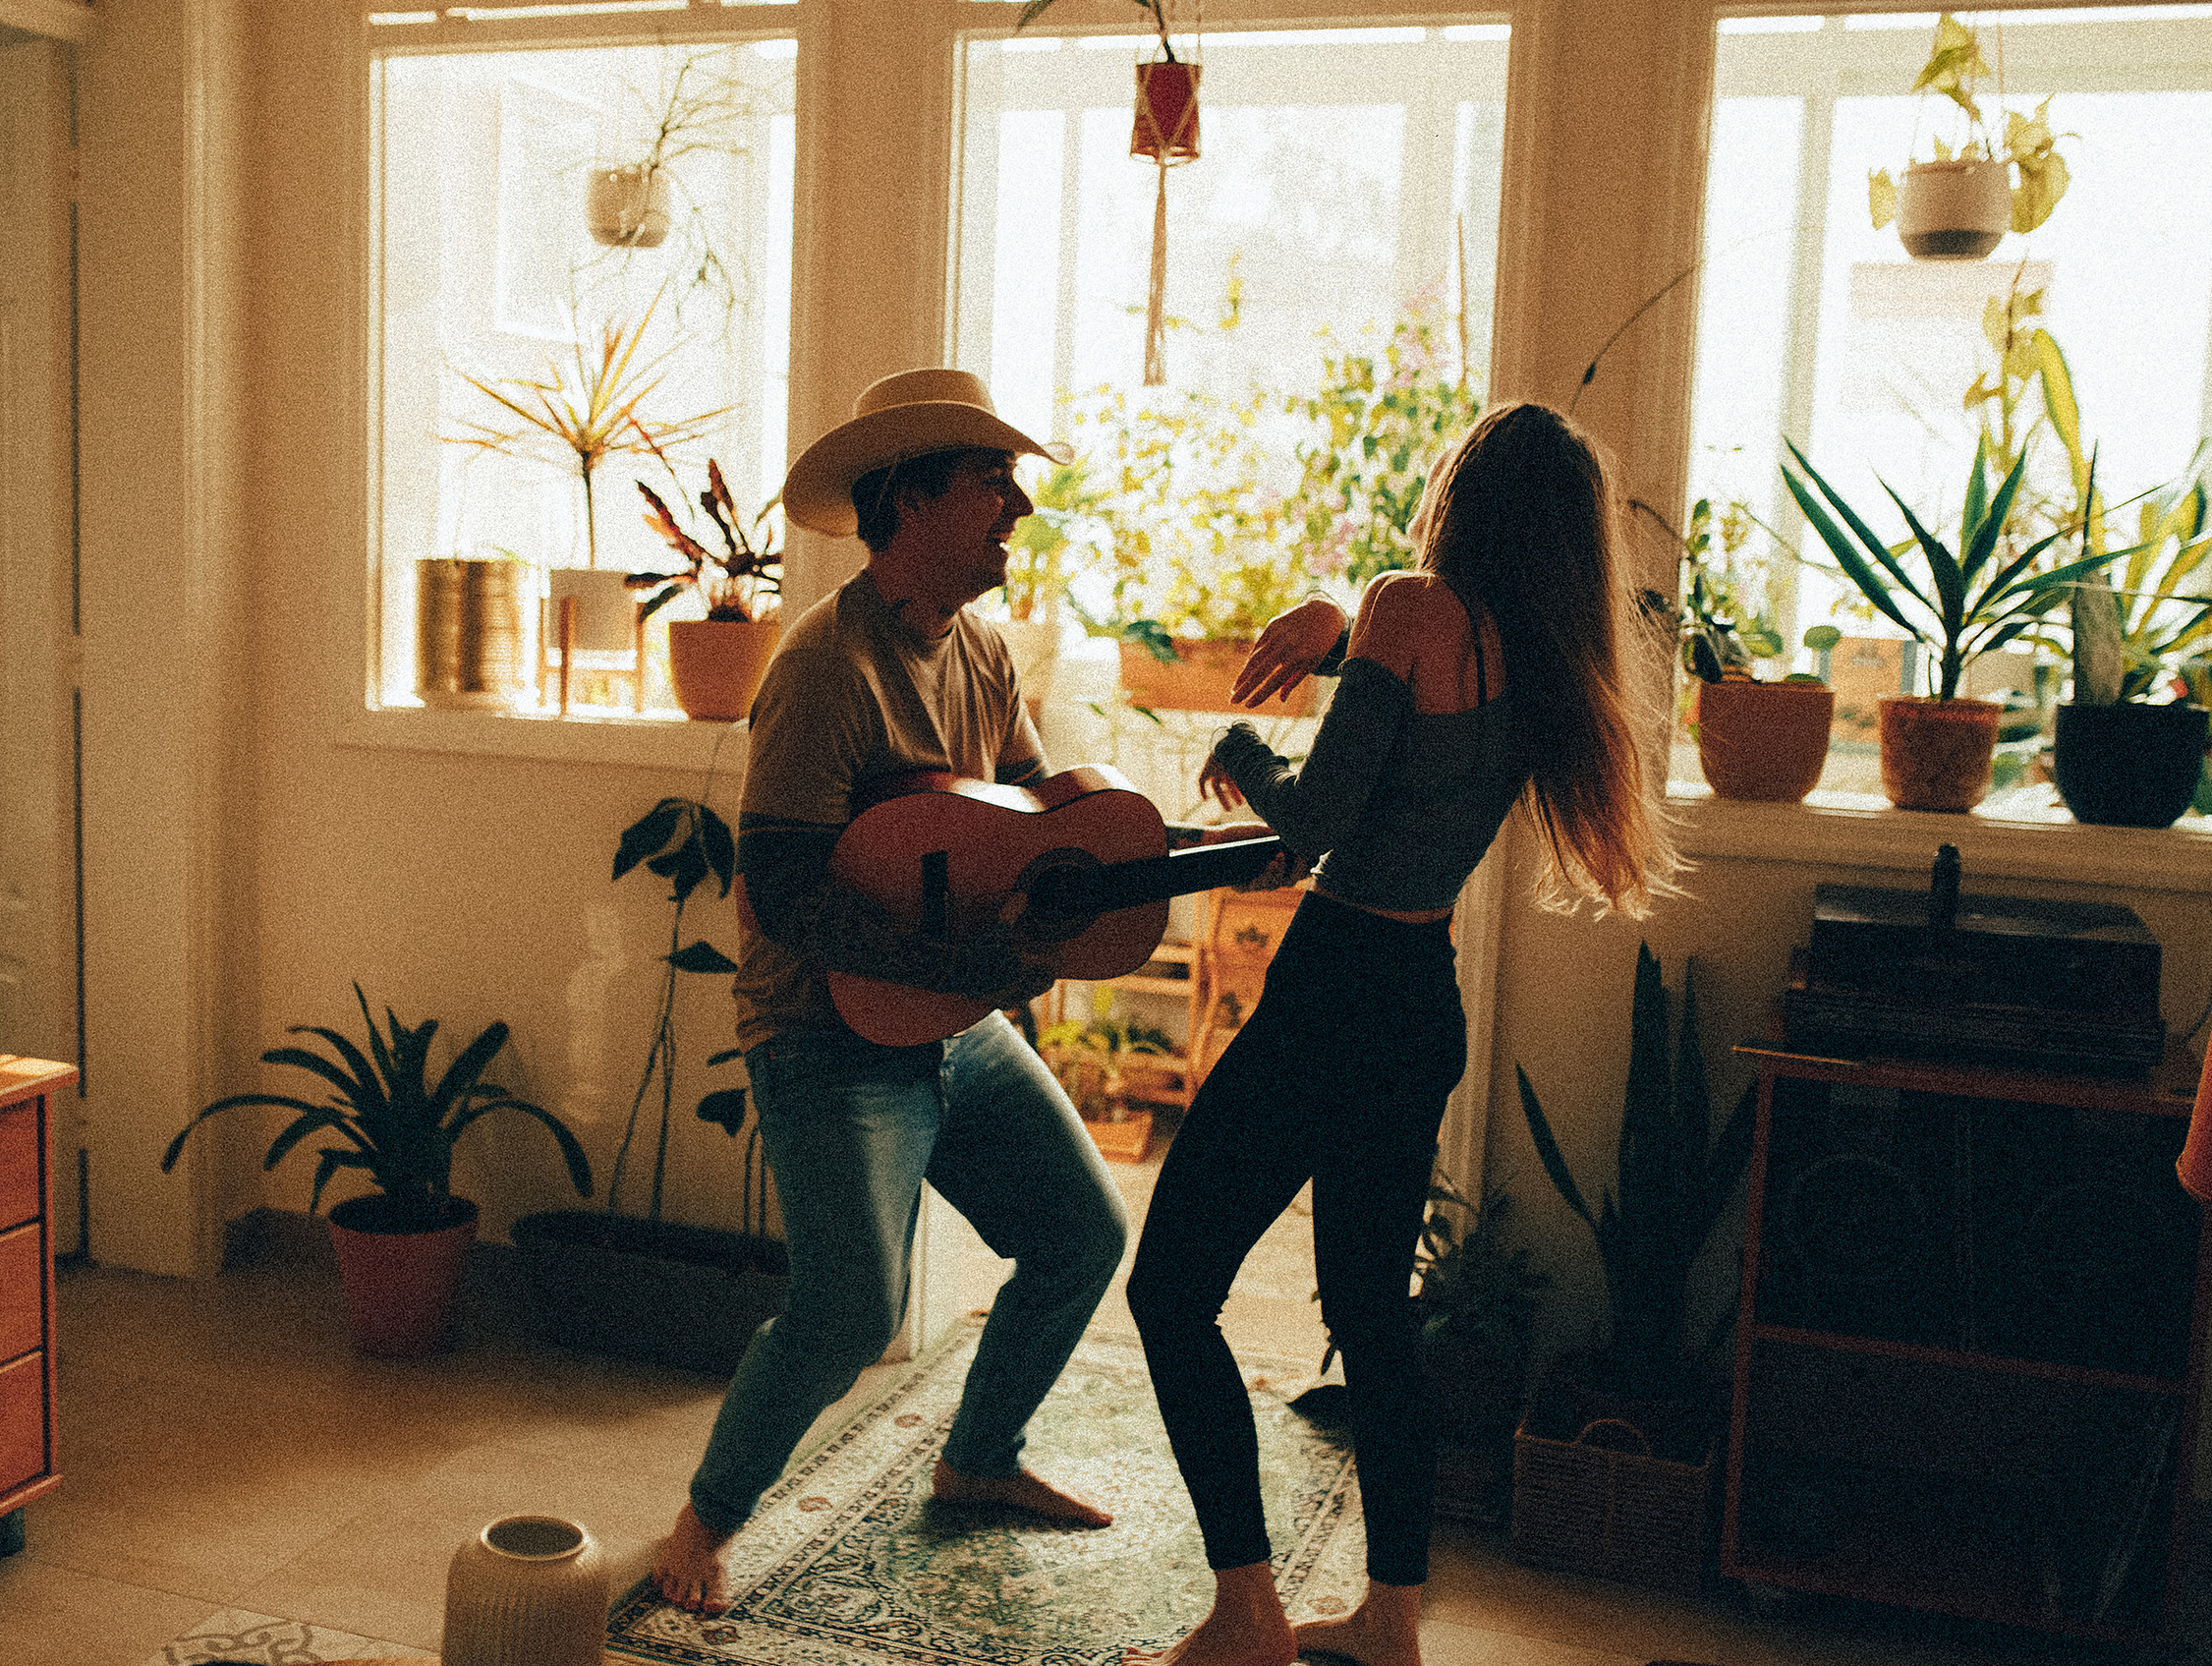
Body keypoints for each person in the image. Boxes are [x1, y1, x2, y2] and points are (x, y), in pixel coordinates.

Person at [651, 368, 1276, 1615]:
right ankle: (702, 1526)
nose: (1018, 510)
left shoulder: (982, 650)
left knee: (1084, 1237)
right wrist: (959, 967)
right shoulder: (824, 668)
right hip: (827, 1031)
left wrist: (1122, 871)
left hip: (953, 1020)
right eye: (995, 483)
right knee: (848, 1305)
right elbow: (778, 890)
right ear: (912, 497)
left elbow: (1040, 823)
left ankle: (977, 1459)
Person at [1123, 401, 1679, 1666]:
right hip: (1420, 999)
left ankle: (1245, 1613)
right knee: (1372, 1316)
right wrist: (1331, 643)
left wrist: (1237, 748)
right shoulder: (1543, 659)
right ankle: (1391, 1620)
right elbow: (1419, 737)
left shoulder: (1409, 603)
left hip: (1330, 992)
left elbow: (1310, 826)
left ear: (1459, 496)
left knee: (1169, 1290)